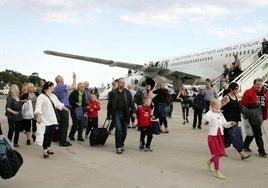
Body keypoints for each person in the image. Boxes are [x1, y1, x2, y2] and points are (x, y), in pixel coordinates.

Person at [35, 81, 69, 158]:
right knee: (46, 134)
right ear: (49, 87)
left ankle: (49, 148)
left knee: (51, 134)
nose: (54, 88)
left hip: (52, 119)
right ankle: (45, 151)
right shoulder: (41, 96)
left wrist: (65, 108)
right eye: (53, 86)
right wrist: (38, 116)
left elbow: (58, 104)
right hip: (44, 118)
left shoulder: (53, 96)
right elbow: (38, 107)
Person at [204, 99, 237, 180]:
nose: (219, 108)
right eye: (217, 106)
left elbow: (225, 124)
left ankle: (208, 162)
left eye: (219, 106)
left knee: (221, 153)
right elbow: (206, 118)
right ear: (212, 107)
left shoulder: (220, 114)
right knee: (218, 154)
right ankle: (217, 171)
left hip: (220, 136)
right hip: (213, 136)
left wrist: (230, 123)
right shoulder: (210, 114)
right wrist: (210, 110)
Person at [221, 82, 251, 160]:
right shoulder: (226, 97)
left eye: (237, 89)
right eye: (235, 89)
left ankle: (220, 149)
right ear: (231, 89)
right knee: (235, 136)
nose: (237, 90)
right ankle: (241, 153)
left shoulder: (236, 97)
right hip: (228, 121)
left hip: (235, 120)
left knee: (228, 139)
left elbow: (236, 108)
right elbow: (219, 106)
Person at [107, 78, 136, 154]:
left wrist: (133, 112)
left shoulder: (127, 92)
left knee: (124, 131)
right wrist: (108, 115)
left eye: (124, 83)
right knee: (119, 129)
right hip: (116, 113)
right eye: (121, 82)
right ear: (118, 83)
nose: (123, 84)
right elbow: (109, 104)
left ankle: (122, 143)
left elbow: (132, 103)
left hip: (125, 113)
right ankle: (118, 146)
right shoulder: (113, 93)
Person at [240, 78, 268, 158]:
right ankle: (261, 151)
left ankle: (245, 145)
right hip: (251, 116)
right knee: (258, 133)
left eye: (260, 84)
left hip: (260, 116)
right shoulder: (248, 92)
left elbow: (266, 105)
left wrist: (265, 115)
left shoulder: (265, 93)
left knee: (252, 133)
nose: (259, 86)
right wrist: (245, 114)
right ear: (254, 84)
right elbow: (243, 104)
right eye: (257, 84)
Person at [54, 72, 76, 147]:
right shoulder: (61, 86)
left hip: (59, 108)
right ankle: (63, 142)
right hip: (64, 108)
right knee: (64, 125)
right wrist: (74, 78)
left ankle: (61, 139)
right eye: (62, 78)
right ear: (59, 80)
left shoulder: (56, 88)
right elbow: (73, 87)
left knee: (61, 125)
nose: (63, 79)